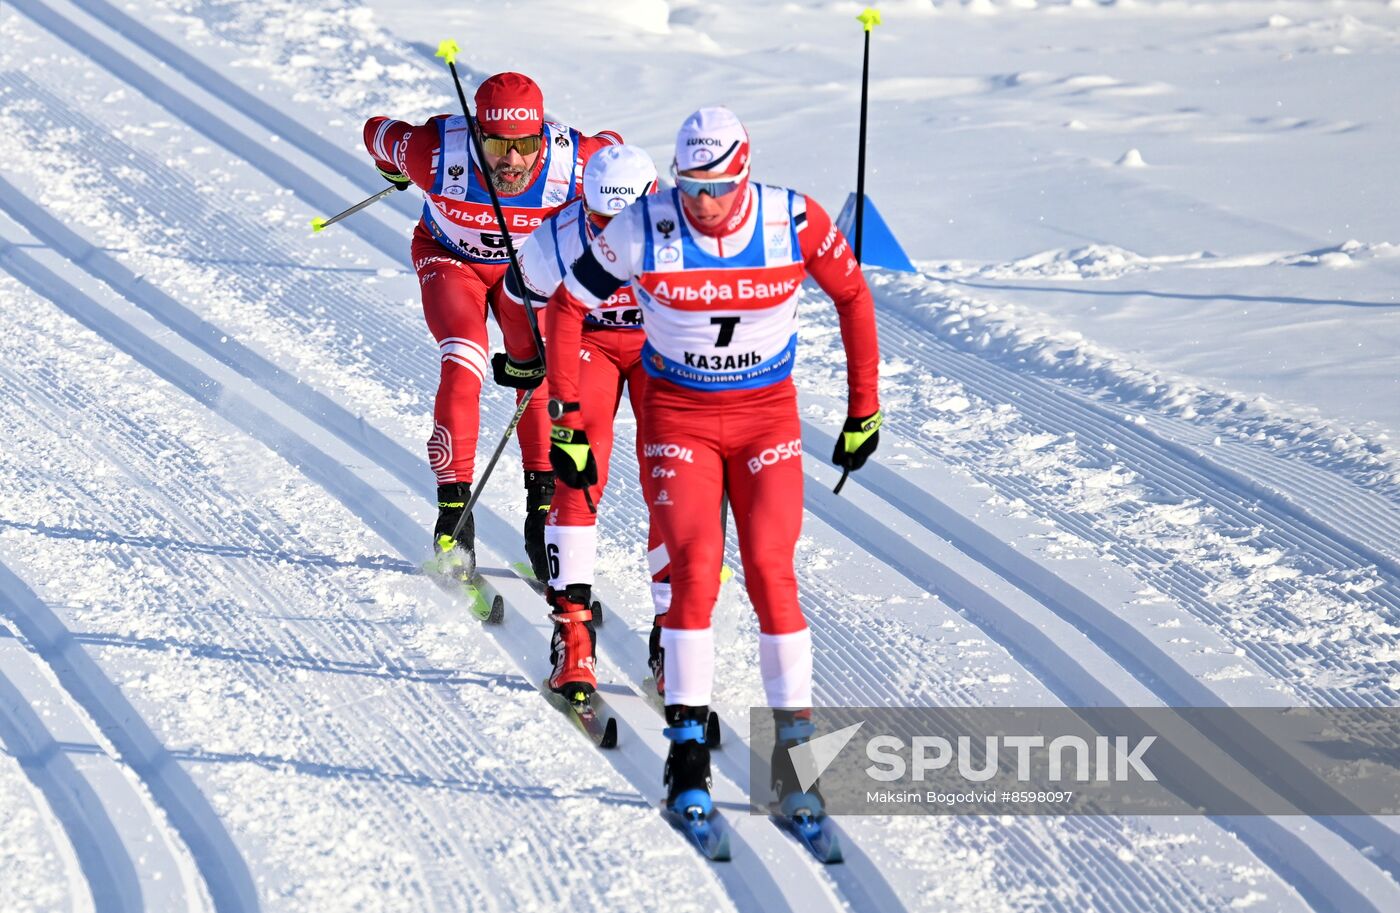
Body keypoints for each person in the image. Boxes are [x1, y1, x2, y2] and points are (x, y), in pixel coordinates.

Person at [542, 107, 883, 820]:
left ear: (745, 172)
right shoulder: (646, 225)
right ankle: (686, 753)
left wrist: (863, 408)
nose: (703, 203)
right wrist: (567, 416)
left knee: (769, 571)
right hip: (681, 417)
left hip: (766, 419)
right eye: (690, 186)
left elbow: (852, 294)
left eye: (718, 186)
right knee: (695, 569)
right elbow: (568, 307)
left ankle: (796, 756)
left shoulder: (793, 219)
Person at [362, 72, 622, 579]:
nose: (513, 159)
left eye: (526, 143)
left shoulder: (577, 163)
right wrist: (390, 166)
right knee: (464, 358)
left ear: (542, 135)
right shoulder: (432, 152)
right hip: (450, 261)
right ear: (477, 133)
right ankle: (453, 512)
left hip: (527, 274)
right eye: (498, 143)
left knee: (543, 368)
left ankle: (541, 506)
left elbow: (619, 155)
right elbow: (375, 129)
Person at [490, 144, 672, 700]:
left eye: (624, 222)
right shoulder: (558, 235)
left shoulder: (683, 230)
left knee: (671, 480)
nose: (610, 235)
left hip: (658, 347)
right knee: (578, 472)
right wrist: (524, 358)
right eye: (599, 220)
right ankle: (572, 635)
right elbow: (517, 296)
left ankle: (673, 635)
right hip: (587, 343)